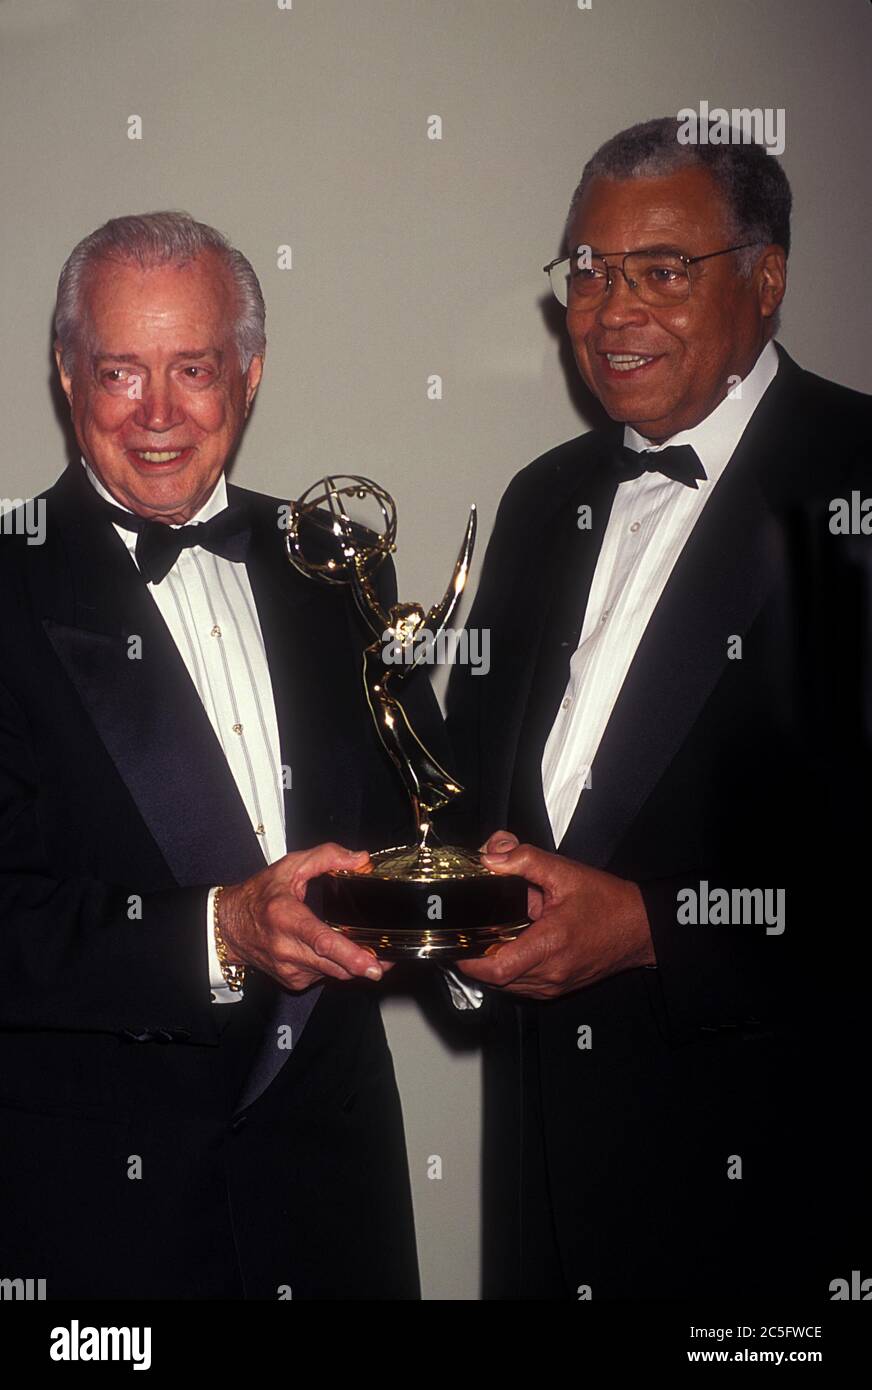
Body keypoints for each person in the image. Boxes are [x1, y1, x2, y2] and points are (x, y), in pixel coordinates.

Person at [446, 117, 871, 1299]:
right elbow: (477, 789)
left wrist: (652, 929)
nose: (609, 306)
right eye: (585, 269)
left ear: (765, 278)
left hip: (779, 1210)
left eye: (660, 270)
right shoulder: (541, 498)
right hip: (542, 1196)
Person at [0, 211, 435, 1299]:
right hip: (96, 1225)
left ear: (248, 374)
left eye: (191, 368)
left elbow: (424, 813)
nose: (156, 414)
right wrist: (219, 931)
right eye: (118, 371)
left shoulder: (334, 559)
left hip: (336, 1204)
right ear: (66, 375)